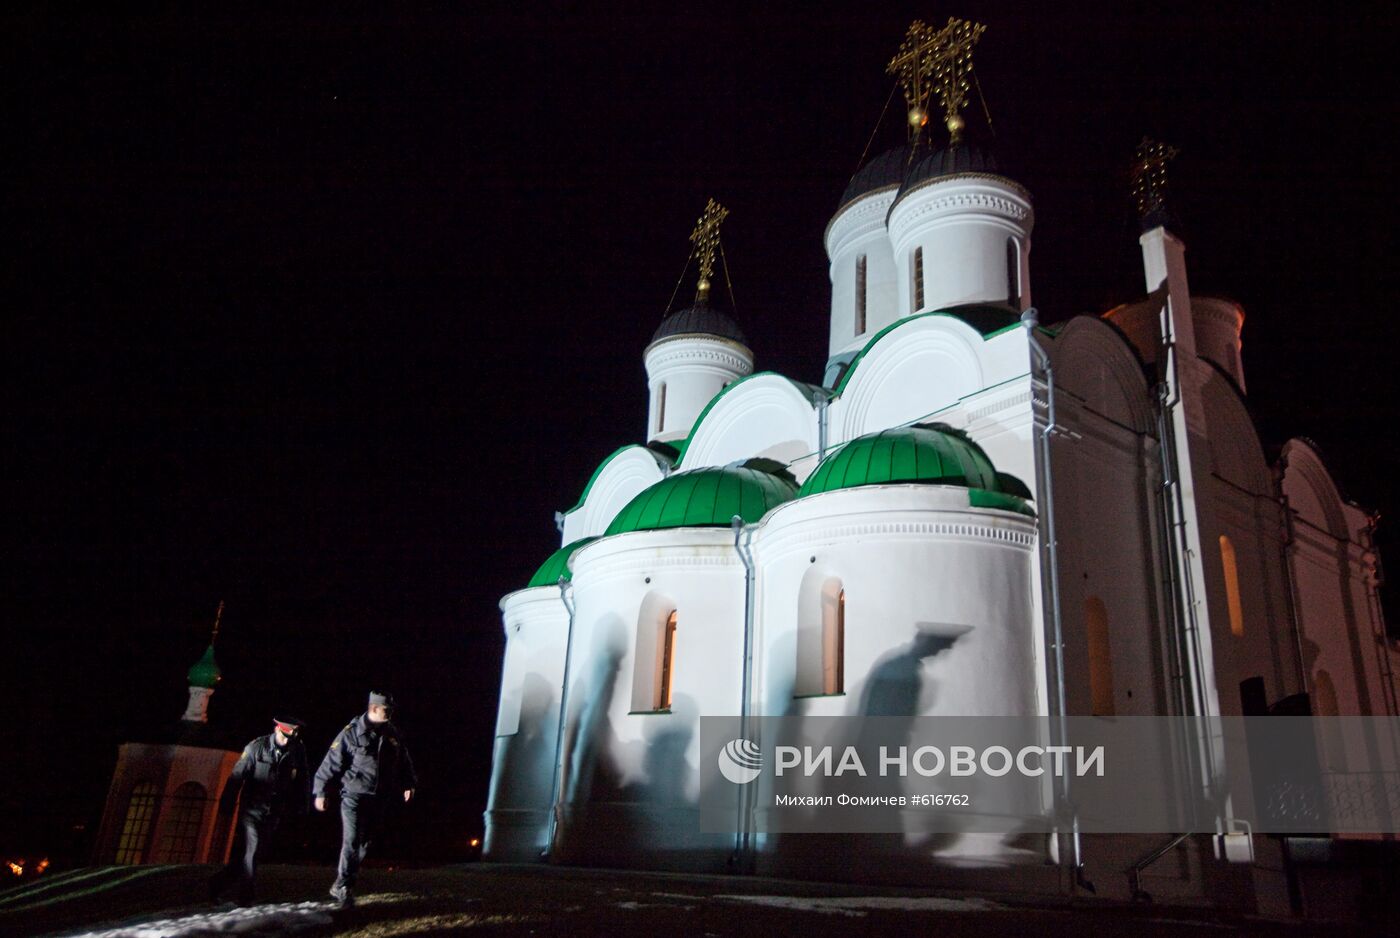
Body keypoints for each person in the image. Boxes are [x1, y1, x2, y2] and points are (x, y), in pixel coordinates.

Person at [314, 691, 417, 905]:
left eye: (391, 710)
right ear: (373, 709)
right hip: (353, 794)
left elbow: (404, 760)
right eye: (386, 710)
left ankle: (345, 882)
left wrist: (409, 783)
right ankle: (343, 885)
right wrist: (320, 791)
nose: (390, 714)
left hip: (378, 798)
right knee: (351, 841)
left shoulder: (392, 733)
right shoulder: (351, 733)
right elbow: (331, 762)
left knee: (364, 844)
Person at [208, 716, 309, 905]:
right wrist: (227, 805)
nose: (288, 741)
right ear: (277, 730)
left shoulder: (297, 749)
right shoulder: (256, 747)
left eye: (292, 737)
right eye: (286, 736)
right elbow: (236, 777)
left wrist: (302, 807)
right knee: (252, 852)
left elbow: (302, 780)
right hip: (251, 810)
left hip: (274, 812)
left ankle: (216, 884)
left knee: (249, 856)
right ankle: (246, 898)